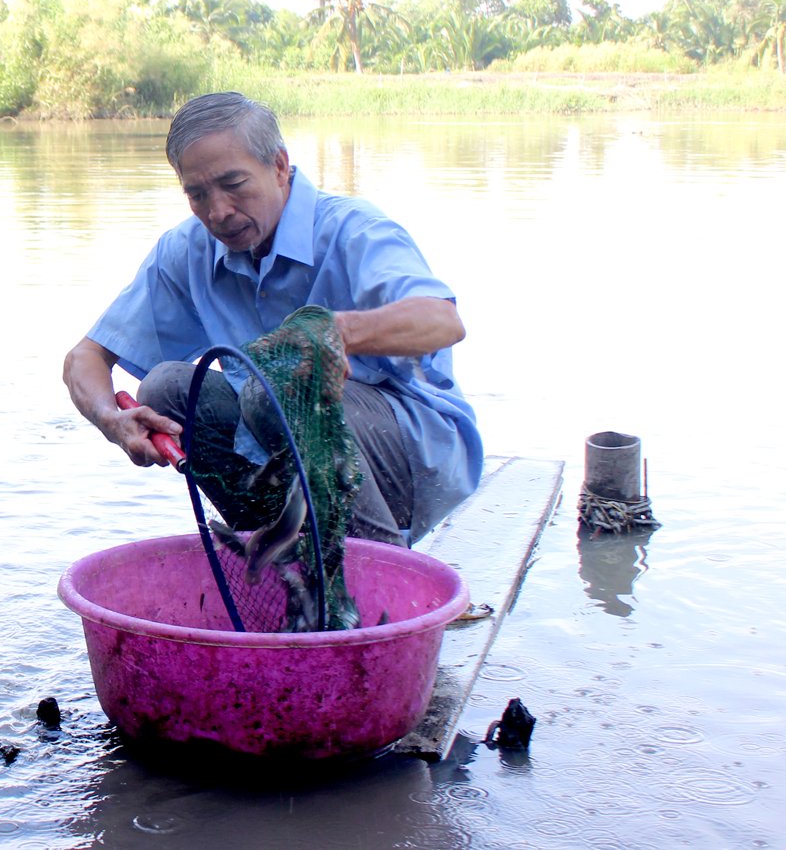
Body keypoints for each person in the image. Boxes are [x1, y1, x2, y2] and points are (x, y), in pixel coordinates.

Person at [62, 92, 482, 546]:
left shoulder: (354, 230)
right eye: (197, 194)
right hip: (283, 435)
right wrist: (111, 420)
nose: (218, 211)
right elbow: (85, 357)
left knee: (276, 390)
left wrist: (334, 333)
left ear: (279, 166)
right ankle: (273, 558)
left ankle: (375, 564)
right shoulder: (188, 250)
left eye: (234, 184)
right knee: (167, 388)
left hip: (413, 459)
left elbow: (443, 322)